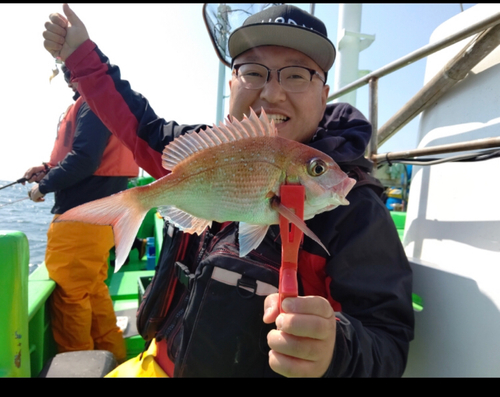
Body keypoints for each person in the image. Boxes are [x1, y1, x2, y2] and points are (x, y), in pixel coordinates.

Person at [42, 4, 414, 377]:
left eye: (298, 75)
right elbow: (136, 120)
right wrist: (81, 55)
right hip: (156, 361)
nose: (272, 93)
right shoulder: (203, 150)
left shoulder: (358, 211)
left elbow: (387, 340)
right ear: (232, 84)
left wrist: (336, 350)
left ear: (324, 95)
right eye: (253, 72)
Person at [24, 64, 139, 362]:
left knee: (71, 298)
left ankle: (78, 366)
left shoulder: (91, 103)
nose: (68, 80)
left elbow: (85, 160)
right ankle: (114, 360)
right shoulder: (103, 104)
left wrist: (44, 185)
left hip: (80, 220)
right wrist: (47, 169)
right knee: (94, 290)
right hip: (103, 220)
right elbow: (90, 158)